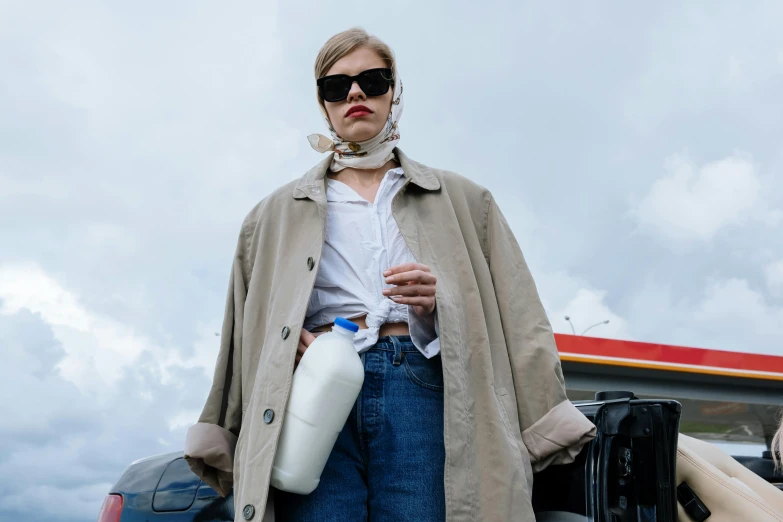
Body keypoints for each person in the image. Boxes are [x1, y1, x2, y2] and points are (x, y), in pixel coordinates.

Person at [183, 28, 596, 522]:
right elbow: (241, 331)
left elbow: (522, 315)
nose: (355, 93)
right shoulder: (272, 215)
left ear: (394, 92)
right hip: (312, 388)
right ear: (323, 104)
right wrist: (285, 345)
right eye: (337, 87)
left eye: (372, 80)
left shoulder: (465, 200)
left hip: (419, 384)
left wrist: (435, 306)